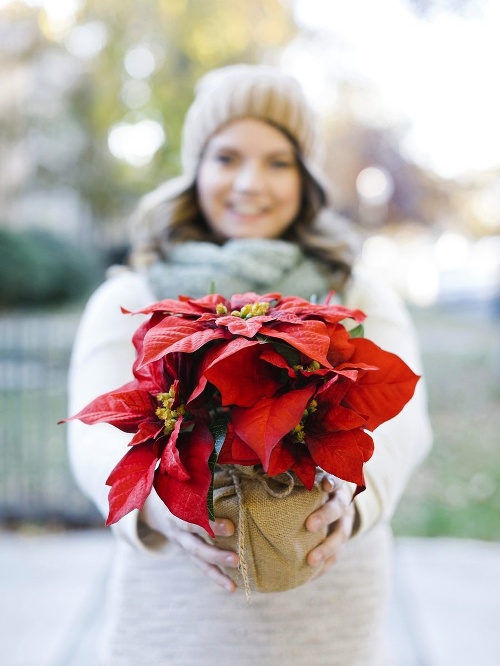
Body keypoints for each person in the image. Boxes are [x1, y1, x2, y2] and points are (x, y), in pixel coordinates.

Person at [67, 64, 432, 665]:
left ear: (306, 178)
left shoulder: (355, 290)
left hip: (326, 619)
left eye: (278, 162)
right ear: (196, 170)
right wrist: (161, 508)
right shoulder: (130, 295)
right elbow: (95, 437)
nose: (250, 183)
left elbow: (404, 421)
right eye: (227, 157)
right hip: (175, 621)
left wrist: (353, 502)